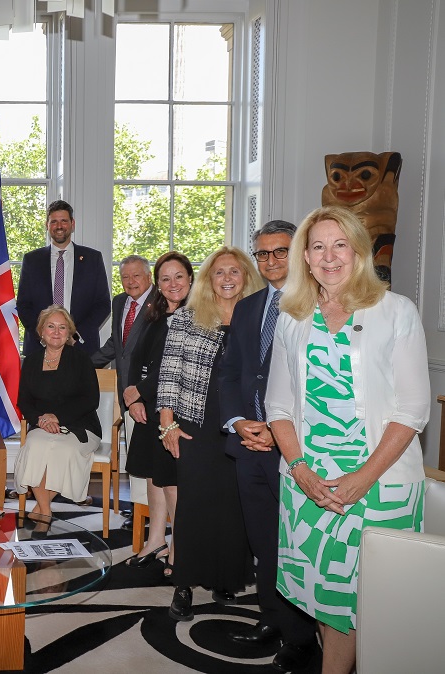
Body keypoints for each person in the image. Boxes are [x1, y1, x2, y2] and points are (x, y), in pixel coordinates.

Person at [267, 206, 430, 674]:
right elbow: (278, 407)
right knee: (322, 598)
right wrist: (299, 469)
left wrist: (363, 477)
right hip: (308, 483)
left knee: (360, 605)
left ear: (359, 251)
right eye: (317, 246)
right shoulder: (291, 315)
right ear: (305, 257)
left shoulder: (395, 311)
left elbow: (414, 407)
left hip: (376, 482)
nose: (329, 256)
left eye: (340, 244)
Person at [218, 220, 318, 672]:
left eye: (280, 252)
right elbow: (232, 373)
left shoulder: (316, 303)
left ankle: (303, 638)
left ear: (297, 252)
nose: (272, 261)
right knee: (262, 539)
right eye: (263, 254)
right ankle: (271, 619)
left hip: (295, 449)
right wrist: (239, 422)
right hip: (248, 445)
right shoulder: (247, 306)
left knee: (295, 542)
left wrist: (278, 432)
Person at [157, 246, 263, 622]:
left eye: (235, 271)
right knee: (193, 505)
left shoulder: (262, 319)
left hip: (244, 425)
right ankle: (183, 584)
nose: (228, 278)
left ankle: (225, 578)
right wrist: (167, 424)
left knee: (236, 505)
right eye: (219, 272)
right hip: (195, 424)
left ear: (246, 277)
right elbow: (168, 374)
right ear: (209, 279)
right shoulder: (186, 318)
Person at [122, 252, 192, 572]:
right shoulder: (155, 313)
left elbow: (174, 368)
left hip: (178, 408)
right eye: (166, 278)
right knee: (154, 474)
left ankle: (180, 546)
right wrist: (133, 396)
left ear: (190, 279)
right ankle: (156, 541)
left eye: (178, 276)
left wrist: (141, 391)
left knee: (171, 480)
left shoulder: (197, 315)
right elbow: (137, 355)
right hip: (149, 407)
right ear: (158, 284)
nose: (172, 283)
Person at [15, 305, 101, 532]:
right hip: (42, 424)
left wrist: (58, 417)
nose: (56, 332)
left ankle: (41, 512)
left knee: (61, 451)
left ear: (69, 332)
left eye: (62, 327)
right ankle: (46, 510)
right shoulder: (31, 361)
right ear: (41, 332)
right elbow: (24, 401)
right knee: (35, 446)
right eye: (51, 327)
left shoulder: (81, 359)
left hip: (80, 425)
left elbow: (91, 400)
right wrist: (42, 419)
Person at [91, 255, 156, 521]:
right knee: (135, 454)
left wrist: (142, 390)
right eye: (125, 277)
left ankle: (152, 511)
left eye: (136, 276)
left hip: (150, 395)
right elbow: (115, 346)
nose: (130, 282)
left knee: (150, 457)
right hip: (125, 392)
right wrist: (79, 362)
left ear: (149, 276)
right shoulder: (119, 302)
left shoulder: (163, 304)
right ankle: (140, 510)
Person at [17, 200, 111, 357]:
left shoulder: (92, 258)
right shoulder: (32, 260)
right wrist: (45, 335)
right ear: (47, 225)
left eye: (64, 221)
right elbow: (23, 305)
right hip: (39, 347)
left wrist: (74, 335)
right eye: (54, 221)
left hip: (81, 347)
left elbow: (102, 305)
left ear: (72, 224)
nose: (59, 226)